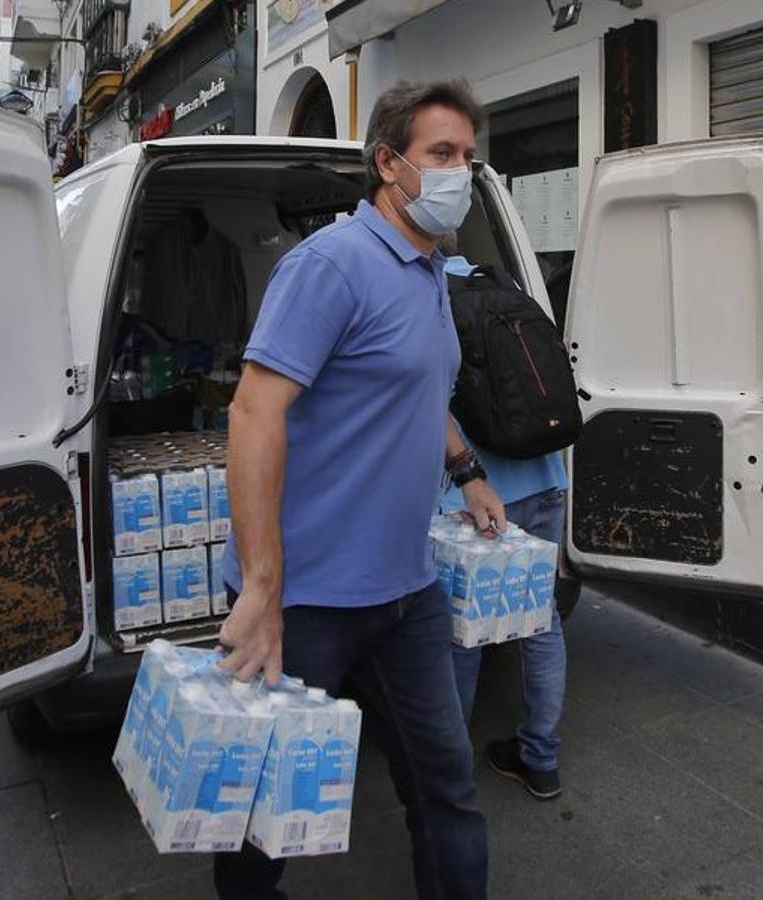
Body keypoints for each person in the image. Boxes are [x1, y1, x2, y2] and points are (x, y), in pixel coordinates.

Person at [213, 80, 505, 900]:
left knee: (444, 786)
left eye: (468, 158)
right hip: (303, 603)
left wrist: (467, 470)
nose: (459, 172)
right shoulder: (330, 265)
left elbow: (420, 392)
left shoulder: (430, 270)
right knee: (264, 814)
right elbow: (252, 412)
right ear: (387, 163)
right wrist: (264, 587)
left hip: (405, 592)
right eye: (440, 155)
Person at [439, 243, 571, 802]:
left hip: (479, 496)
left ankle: (450, 769)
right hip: (546, 480)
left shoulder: (424, 297)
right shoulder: (505, 286)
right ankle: (540, 758)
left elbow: (428, 402)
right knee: (542, 624)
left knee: (463, 638)